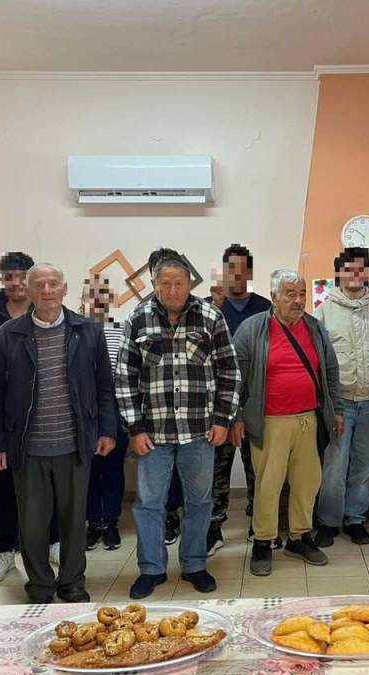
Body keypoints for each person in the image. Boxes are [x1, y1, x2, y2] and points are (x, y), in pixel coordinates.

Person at [0, 263, 116, 604]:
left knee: (74, 521)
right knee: (32, 524)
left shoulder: (87, 331)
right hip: (28, 447)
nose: (46, 290)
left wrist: (107, 430)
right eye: (38, 284)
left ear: (64, 288)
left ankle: (72, 582)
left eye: (52, 283)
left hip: (75, 444)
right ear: (28, 290)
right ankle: (40, 586)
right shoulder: (8, 335)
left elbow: (104, 387)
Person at [116, 248, 240, 599]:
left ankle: (195, 564)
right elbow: (124, 378)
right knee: (149, 504)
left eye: (179, 283)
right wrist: (134, 429)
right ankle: (151, 569)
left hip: (200, 431)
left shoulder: (210, 317)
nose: (173, 290)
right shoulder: (138, 319)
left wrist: (223, 420)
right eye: (165, 283)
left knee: (199, 502)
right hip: (152, 434)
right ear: (155, 285)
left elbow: (230, 371)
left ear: (190, 284)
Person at [231, 270, 342, 577]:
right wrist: (236, 417)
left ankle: (299, 537)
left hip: (309, 419)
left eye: (302, 294)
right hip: (269, 422)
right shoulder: (252, 329)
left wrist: (337, 410)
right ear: (274, 296)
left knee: (307, 483)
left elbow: (331, 371)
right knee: (268, 485)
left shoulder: (315, 328)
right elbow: (234, 377)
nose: (298, 300)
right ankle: (263, 542)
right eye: (290, 294)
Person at [0, 251, 61, 585]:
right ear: (2, 281)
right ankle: (5, 549)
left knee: (50, 487)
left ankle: (53, 541)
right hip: (6, 425)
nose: (16, 283)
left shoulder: (50, 317)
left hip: (46, 424)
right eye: (9, 277)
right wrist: (5, 401)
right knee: (3, 487)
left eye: (23, 277)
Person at [314, 247, 369, 547]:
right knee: (335, 464)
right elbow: (317, 362)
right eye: (349, 268)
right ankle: (328, 521)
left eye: (361, 268)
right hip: (339, 403)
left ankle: (355, 519)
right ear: (339, 272)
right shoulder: (324, 312)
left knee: (365, 462)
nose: (355, 274)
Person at [204, 244, 272, 553]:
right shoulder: (207, 308)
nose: (237, 274)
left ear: (250, 272)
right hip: (218, 405)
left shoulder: (265, 308)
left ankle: (259, 525)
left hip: (255, 401)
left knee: (258, 468)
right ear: (223, 271)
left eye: (243, 269)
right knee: (216, 471)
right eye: (231, 268)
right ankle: (214, 528)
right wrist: (216, 309)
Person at [80, 274, 127, 551]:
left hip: (114, 411)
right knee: (87, 471)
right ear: (83, 299)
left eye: (102, 295)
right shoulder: (73, 329)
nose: (97, 300)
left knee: (111, 469)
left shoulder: (121, 330)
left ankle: (110, 523)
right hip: (84, 414)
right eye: (92, 294)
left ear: (110, 300)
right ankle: (92, 523)